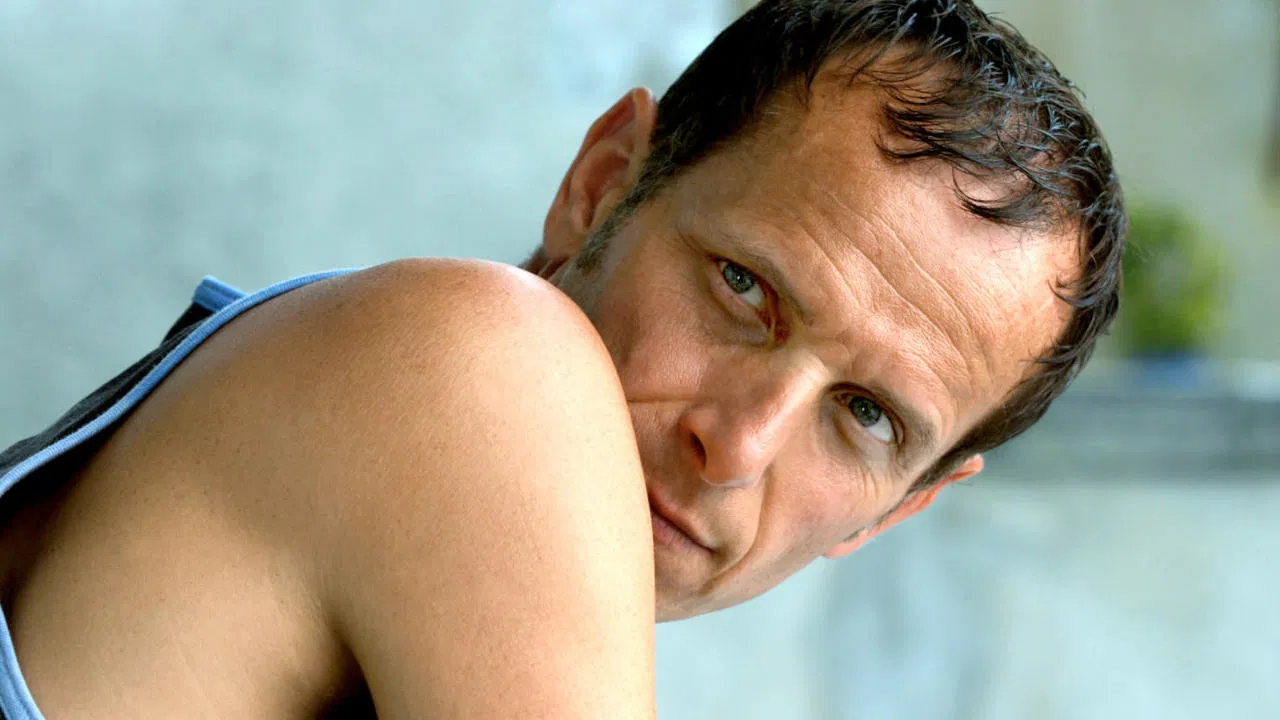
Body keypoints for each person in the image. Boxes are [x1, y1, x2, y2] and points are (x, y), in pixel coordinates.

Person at [0, 0, 1125, 717]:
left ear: (897, 509)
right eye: (744, 289)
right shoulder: (490, 363)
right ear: (600, 187)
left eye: (866, 415)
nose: (738, 445)